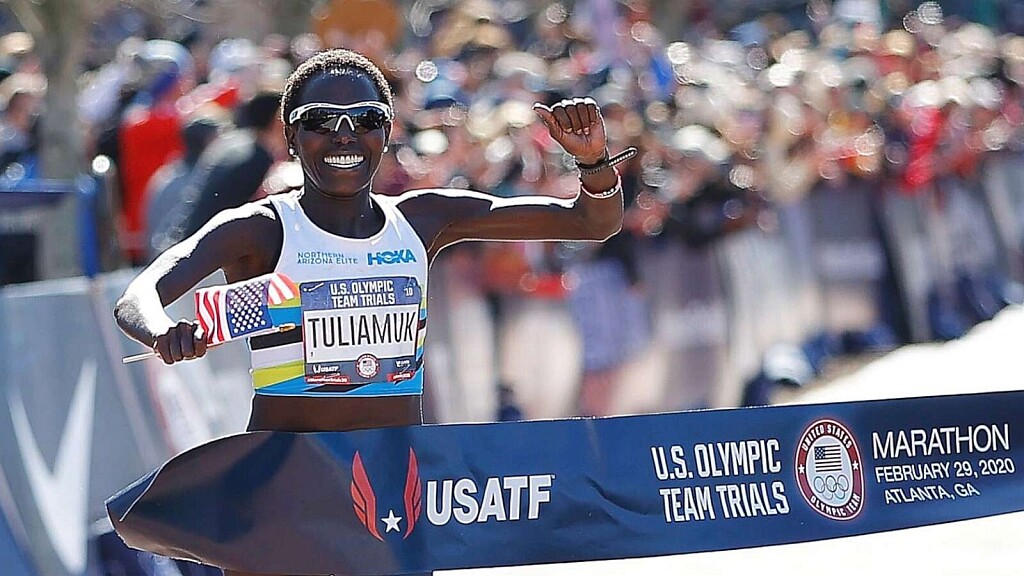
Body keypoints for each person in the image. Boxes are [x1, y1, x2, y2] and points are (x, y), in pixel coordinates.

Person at [111, 47, 624, 576]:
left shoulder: (423, 218)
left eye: (365, 119)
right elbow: (137, 296)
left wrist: (593, 163)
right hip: (285, 494)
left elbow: (591, 222)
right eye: (320, 121)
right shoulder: (259, 228)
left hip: (393, 496)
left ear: (387, 131)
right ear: (291, 136)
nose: (344, 134)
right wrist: (162, 331)